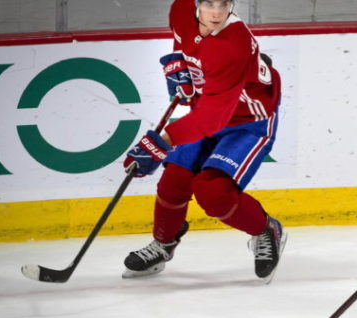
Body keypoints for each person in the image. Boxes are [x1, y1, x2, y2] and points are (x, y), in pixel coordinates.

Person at [121, 0, 286, 283]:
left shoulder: (230, 44)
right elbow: (183, 41)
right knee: (174, 181)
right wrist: (179, 66)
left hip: (248, 122)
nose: (217, 12)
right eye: (209, 3)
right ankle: (164, 244)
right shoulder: (181, 10)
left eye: (224, 4)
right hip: (209, 111)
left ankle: (266, 230)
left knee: (213, 192)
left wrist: (160, 143)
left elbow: (212, 119)